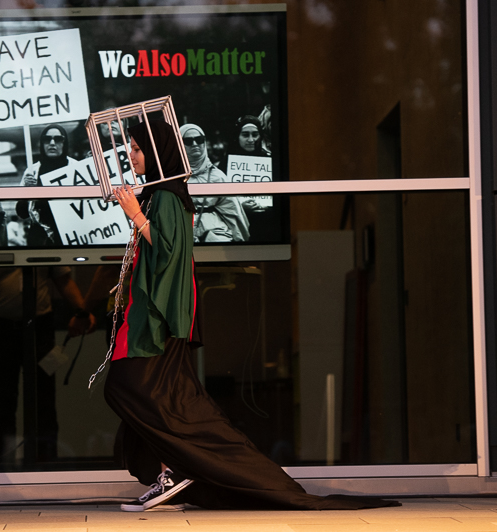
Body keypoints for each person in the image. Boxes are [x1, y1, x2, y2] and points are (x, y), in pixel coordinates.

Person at [102, 120, 398, 512]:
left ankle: (177, 469)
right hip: (155, 316)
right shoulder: (160, 195)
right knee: (161, 400)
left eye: (138, 148)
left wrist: (136, 215)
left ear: (157, 152)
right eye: (131, 148)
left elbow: (169, 252)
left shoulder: (168, 196)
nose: (131, 155)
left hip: (159, 320)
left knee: (134, 390)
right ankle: (175, 471)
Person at [0, 267, 96, 464]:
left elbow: (63, 279)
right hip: (1, 328)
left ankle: (45, 461)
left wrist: (82, 311)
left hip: (40, 328)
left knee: (44, 401)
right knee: (3, 403)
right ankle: (4, 465)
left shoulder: (43, 245)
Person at [180, 124, 250, 243]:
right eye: (188, 141)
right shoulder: (171, 177)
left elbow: (232, 211)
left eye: (199, 139)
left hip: (214, 232)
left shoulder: (217, 176)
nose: (195, 144)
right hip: (180, 231)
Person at [17, 125, 78, 246]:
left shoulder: (76, 167)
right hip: (40, 240)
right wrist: (27, 192)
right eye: (47, 139)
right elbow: (22, 213)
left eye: (58, 139)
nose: (52, 143)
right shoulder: (32, 171)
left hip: (71, 237)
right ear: (41, 143)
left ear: (65, 143)